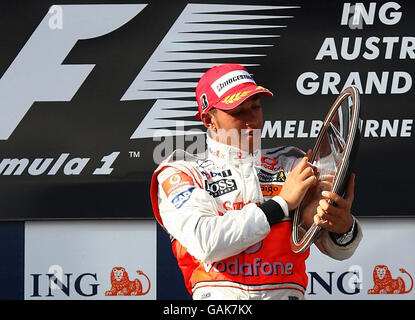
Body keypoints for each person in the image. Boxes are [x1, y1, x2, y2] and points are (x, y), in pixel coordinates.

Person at [150, 63, 362, 300]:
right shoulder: (181, 172)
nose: (252, 120)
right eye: (238, 112)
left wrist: (342, 228)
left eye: (256, 107)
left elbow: (336, 250)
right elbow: (206, 243)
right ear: (209, 120)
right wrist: (281, 204)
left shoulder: (293, 165)